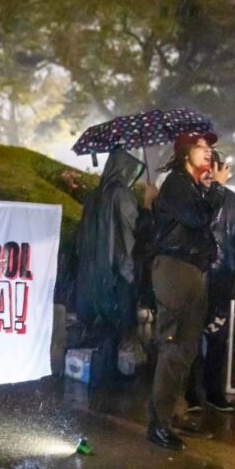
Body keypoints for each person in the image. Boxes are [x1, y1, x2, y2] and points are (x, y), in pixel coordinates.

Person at [145, 131, 224, 451]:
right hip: (176, 269)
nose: (208, 152)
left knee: (187, 349)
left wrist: (208, 190)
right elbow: (195, 218)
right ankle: (158, 423)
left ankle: (169, 414)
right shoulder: (177, 183)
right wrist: (215, 188)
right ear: (183, 153)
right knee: (174, 347)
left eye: (209, 148)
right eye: (200, 147)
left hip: (193, 271)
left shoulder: (191, 186)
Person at [185, 150, 235, 414]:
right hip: (192, 277)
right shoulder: (190, 197)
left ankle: (213, 392)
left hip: (222, 277)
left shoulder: (234, 201)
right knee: (190, 338)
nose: (209, 171)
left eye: (213, 165)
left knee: (218, 339)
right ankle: (191, 393)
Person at [73, 149, 144, 387]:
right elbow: (133, 229)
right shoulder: (122, 195)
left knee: (104, 325)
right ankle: (114, 377)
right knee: (120, 324)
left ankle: (102, 374)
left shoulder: (95, 195)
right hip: (118, 271)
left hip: (94, 272)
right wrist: (148, 207)